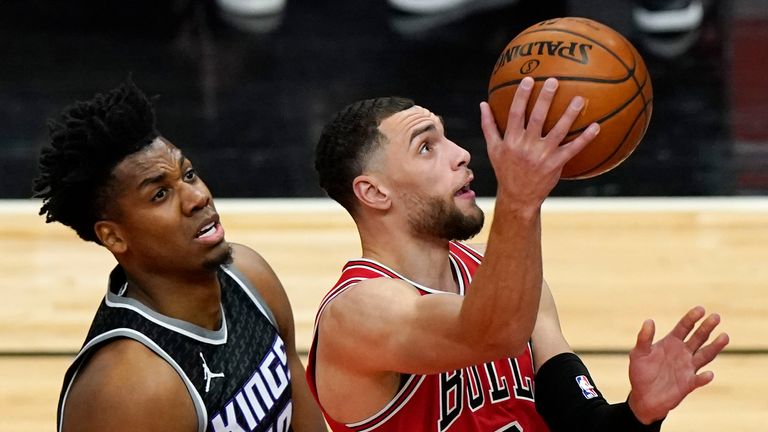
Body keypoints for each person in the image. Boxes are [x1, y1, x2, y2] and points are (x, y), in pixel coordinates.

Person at [308, 76, 730, 431]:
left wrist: (640, 413)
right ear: (374, 192)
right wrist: (520, 199)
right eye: (426, 147)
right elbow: (491, 334)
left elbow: (583, 422)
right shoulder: (358, 313)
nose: (461, 154)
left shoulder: (503, 275)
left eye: (446, 137)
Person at [33, 78, 326, 432]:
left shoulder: (250, 275)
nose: (197, 197)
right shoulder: (131, 389)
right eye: (160, 194)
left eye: (188, 174)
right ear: (114, 236)